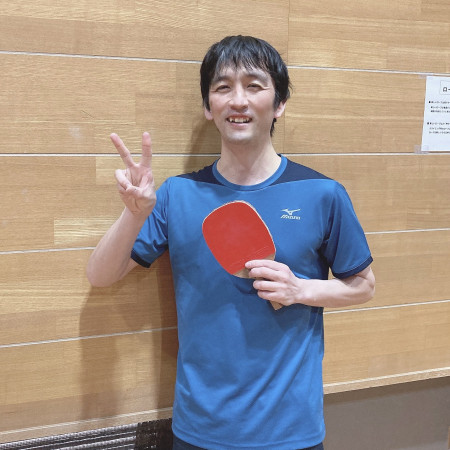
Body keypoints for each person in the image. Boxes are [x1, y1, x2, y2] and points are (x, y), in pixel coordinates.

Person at [87, 35, 375, 450]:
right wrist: (134, 215)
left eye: (254, 86)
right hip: (199, 430)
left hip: (291, 431)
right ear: (209, 107)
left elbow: (363, 286)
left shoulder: (322, 194)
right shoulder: (177, 195)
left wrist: (301, 290)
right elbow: (100, 275)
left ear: (279, 103)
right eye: (223, 87)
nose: (238, 100)